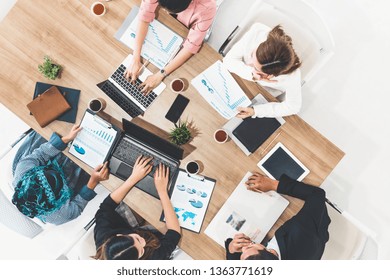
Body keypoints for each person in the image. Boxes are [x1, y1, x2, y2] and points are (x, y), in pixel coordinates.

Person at [12, 125, 109, 225]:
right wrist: (93, 180)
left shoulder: (23, 172)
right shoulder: (61, 215)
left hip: (39, 160)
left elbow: (41, 154)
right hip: (73, 179)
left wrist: (66, 138)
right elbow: (78, 205)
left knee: (60, 128)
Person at [225, 172, 331, 260]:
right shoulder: (300, 232)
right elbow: (317, 195)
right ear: (267, 251)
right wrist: (273, 185)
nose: (244, 249)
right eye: (249, 248)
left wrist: (232, 248)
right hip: (311, 229)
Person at [93, 156, 181, 260]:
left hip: (126, 225)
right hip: (153, 238)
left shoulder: (103, 236)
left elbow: (107, 206)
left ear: (119, 235)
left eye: (137, 239)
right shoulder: (150, 261)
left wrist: (134, 177)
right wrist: (162, 191)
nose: (143, 242)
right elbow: (174, 233)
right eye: (141, 251)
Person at [124, 0, 216, 95]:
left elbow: (191, 47)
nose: (166, 12)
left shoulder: (208, 7)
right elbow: (144, 14)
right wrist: (135, 57)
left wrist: (160, 75)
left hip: (181, 32)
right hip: (166, 25)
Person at [223, 23, 302, 118]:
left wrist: (255, 111)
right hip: (237, 79)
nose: (249, 63)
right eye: (252, 54)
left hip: (260, 94)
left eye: (255, 67)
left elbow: (293, 107)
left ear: (270, 75)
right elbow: (228, 60)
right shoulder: (258, 32)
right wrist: (251, 74)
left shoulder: (292, 76)